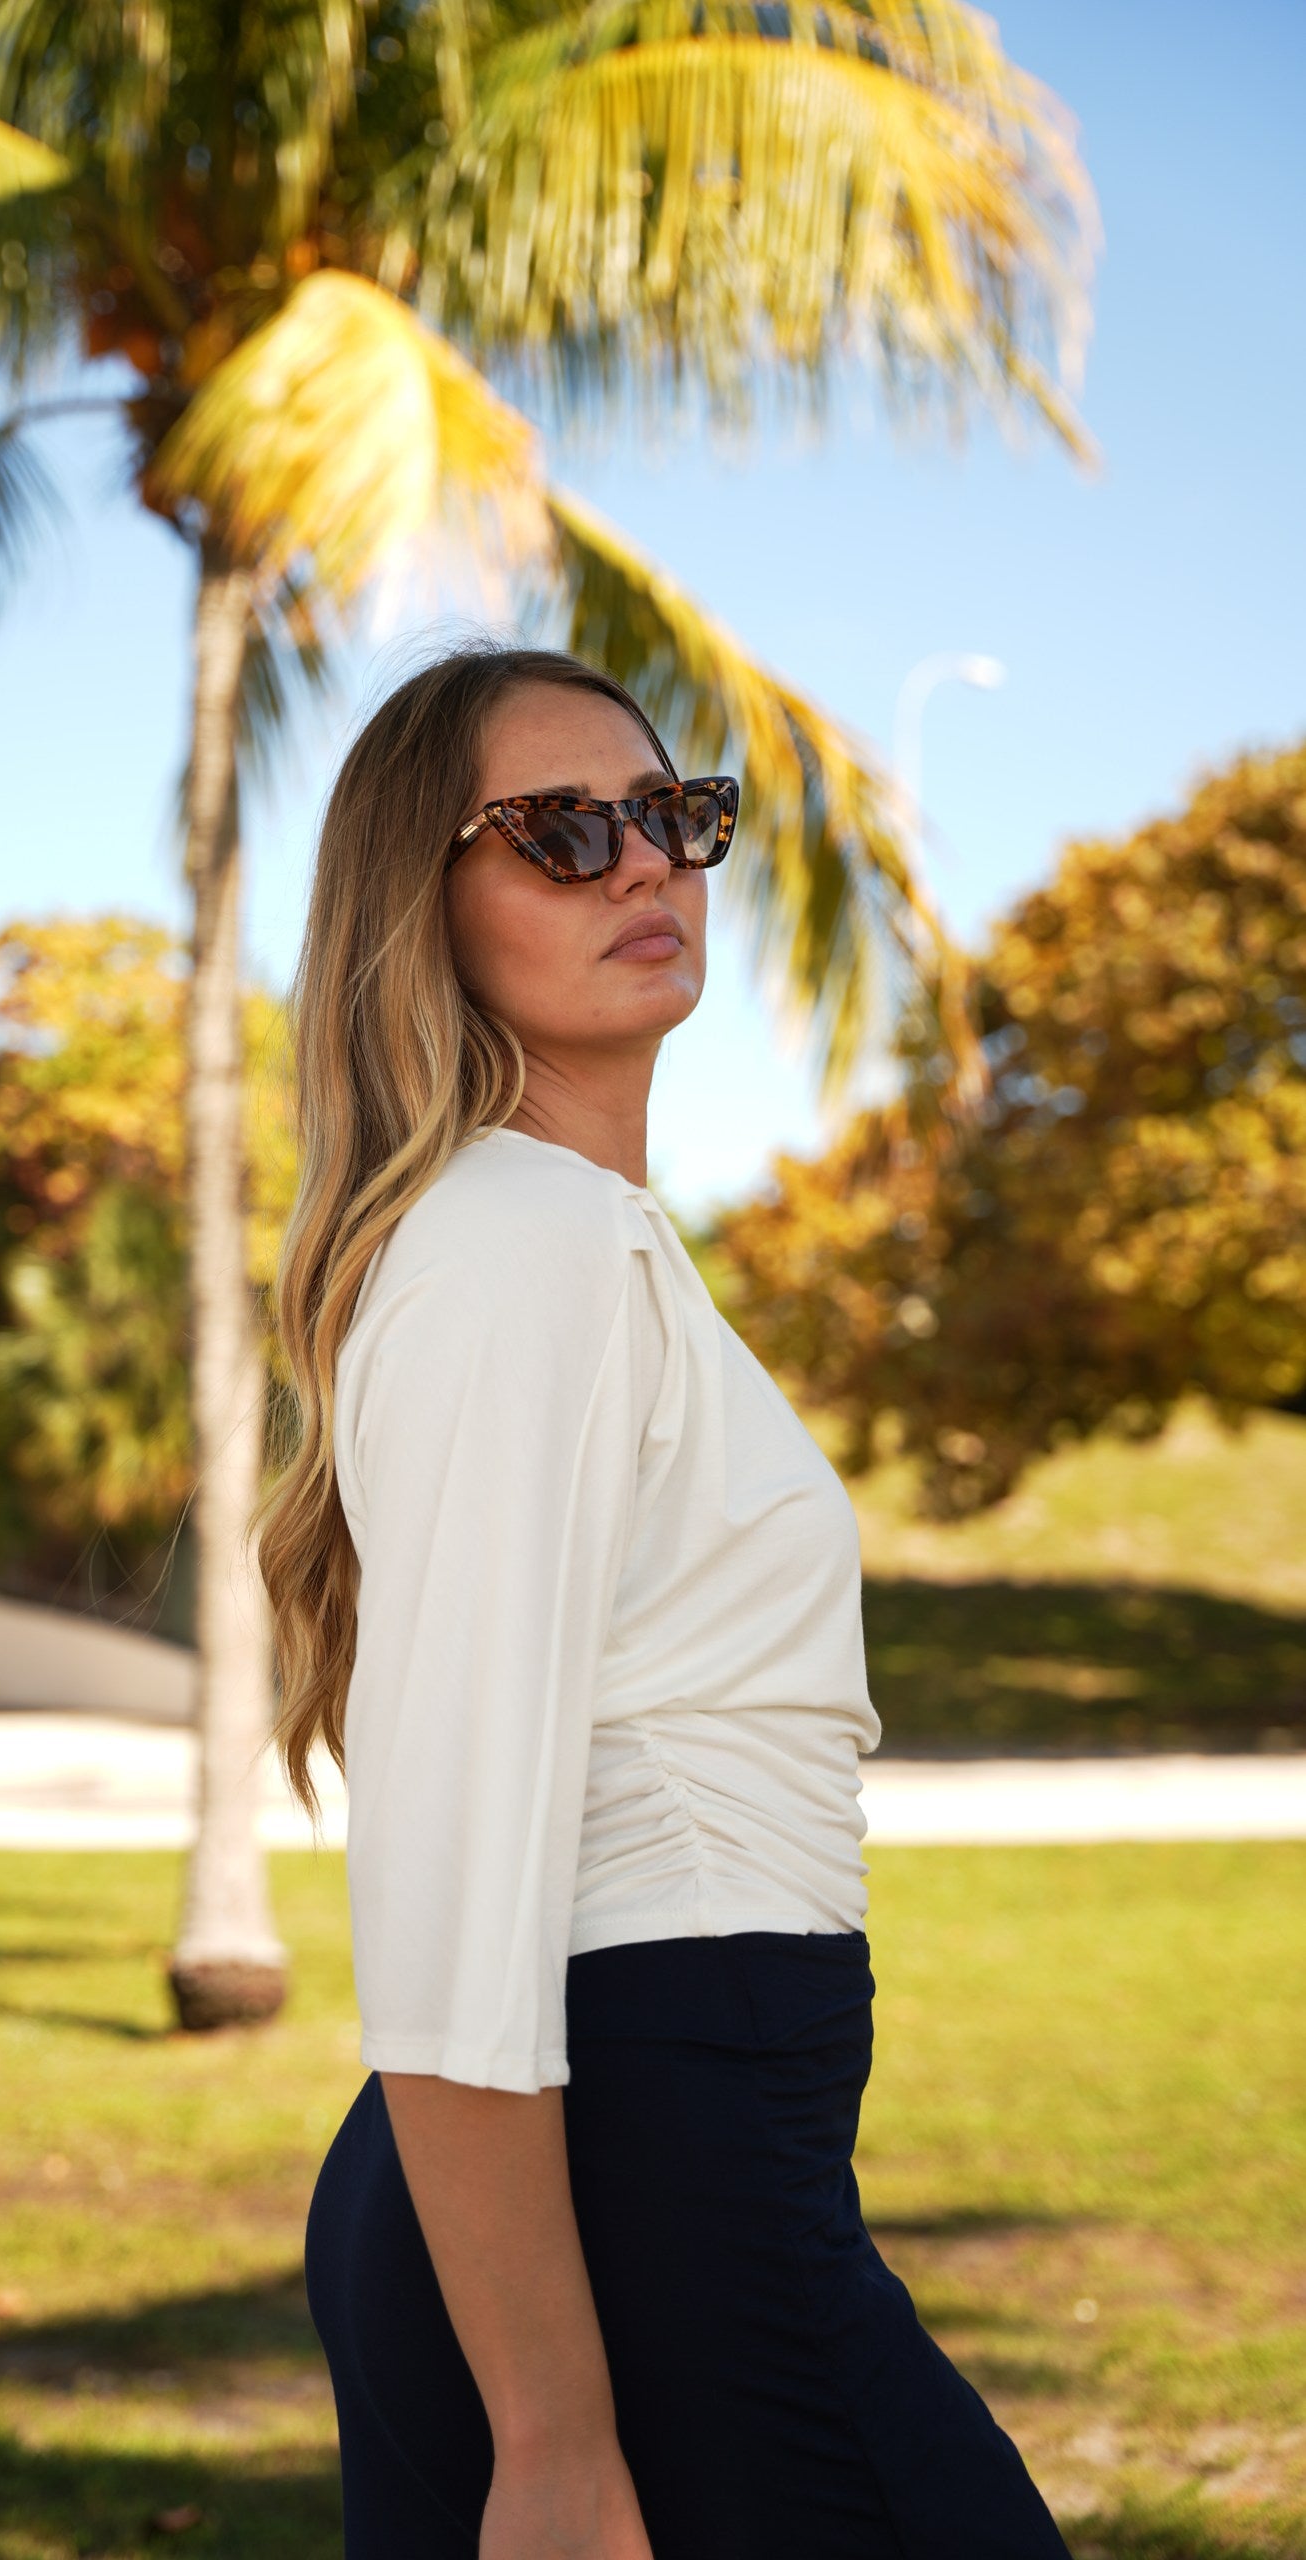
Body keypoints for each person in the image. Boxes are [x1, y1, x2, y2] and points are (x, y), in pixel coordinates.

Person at [256, 643, 1069, 2560]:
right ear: (420, 907)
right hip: (638, 2175)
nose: (645, 863)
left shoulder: (574, 1237)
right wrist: (552, 2438)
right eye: (561, 831)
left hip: (640, 2154)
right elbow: (452, 1864)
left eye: (676, 814)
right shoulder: (517, 1240)